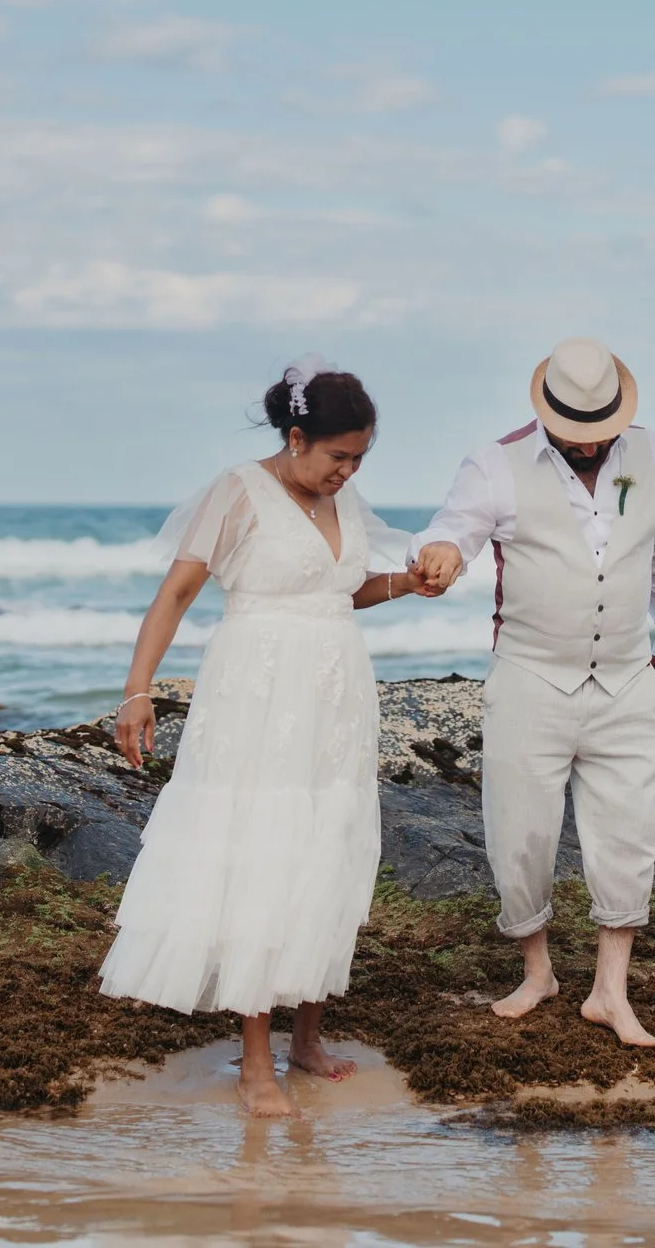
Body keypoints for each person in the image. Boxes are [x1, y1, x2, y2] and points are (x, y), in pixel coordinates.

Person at [100, 355, 442, 1117]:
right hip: (257, 693)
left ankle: (307, 1039)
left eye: (359, 459)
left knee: (325, 849)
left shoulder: (341, 501)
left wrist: (405, 583)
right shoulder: (239, 491)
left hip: (336, 698)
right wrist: (137, 689)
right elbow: (177, 594)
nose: (348, 472)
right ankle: (255, 1060)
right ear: (296, 436)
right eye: (337, 456)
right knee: (264, 854)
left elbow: (342, 591)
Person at [410, 337, 655, 1048]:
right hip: (532, 674)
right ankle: (538, 973)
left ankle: (610, 991)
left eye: (603, 430)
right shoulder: (495, 465)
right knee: (522, 836)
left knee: (628, 835)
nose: (593, 444)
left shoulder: (652, 454)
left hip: (627, 675)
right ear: (548, 414)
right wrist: (438, 552)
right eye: (579, 432)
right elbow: (456, 528)